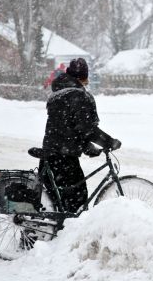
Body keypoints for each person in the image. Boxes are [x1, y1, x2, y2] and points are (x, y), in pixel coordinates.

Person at [41, 57, 120, 213]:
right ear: (82, 77)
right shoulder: (78, 96)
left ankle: (49, 233)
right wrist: (108, 142)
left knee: (57, 203)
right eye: (86, 77)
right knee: (76, 202)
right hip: (64, 159)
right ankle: (67, 233)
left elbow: (67, 127)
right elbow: (86, 128)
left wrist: (85, 146)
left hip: (52, 154)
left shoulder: (58, 94)